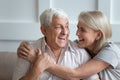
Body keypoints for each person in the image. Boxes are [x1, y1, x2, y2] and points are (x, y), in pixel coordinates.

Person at [18, 10, 120, 80]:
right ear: (44, 30)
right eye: (77, 28)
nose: (76, 34)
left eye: (83, 30)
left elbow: (75, 74)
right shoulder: (79, 46)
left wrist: (39, 61)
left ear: (98, 35)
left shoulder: (111, 51)